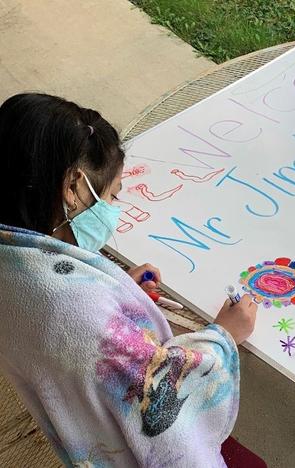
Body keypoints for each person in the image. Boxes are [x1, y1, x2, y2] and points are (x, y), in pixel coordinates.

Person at [0, 93, 257, 466]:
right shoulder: (79, 314)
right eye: (111, 194)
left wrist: (116, 292)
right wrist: (223, 336)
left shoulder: (13, 259)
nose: (113, 208)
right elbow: (163, 407)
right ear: (73, 188)